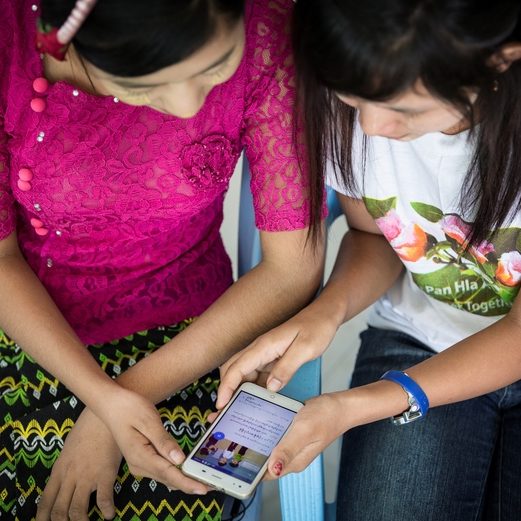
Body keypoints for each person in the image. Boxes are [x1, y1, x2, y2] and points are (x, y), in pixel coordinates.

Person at [0, 0, 325, 519]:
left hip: (196, 336)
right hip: (30, 326)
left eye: (214, 69)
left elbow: (292, 268)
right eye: (142, 87)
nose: (188, 107)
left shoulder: (268, 32)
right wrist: (101, 399)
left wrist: (117, 405)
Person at [217, 1, 521, 520]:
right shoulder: (350, 113)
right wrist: (324, 313)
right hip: (417, 338)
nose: (374, 128)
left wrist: (355, 406)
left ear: (500, 60)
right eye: (354, 100)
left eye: (405, 109)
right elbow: (375, 236)